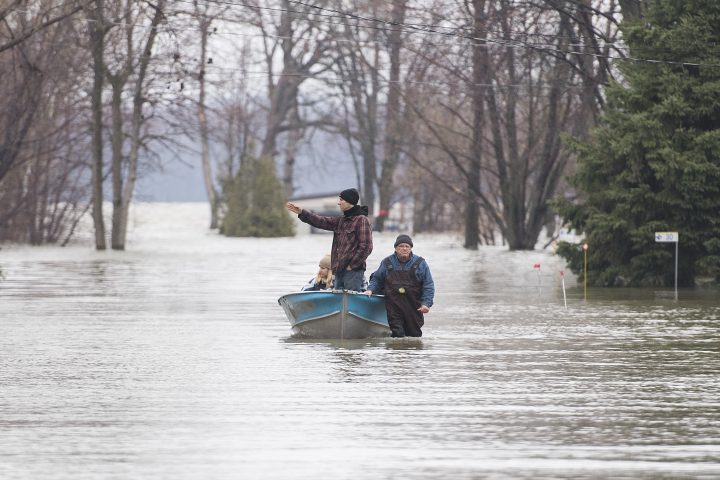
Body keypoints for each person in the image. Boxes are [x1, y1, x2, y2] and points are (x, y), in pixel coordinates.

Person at [286, 188, 373, 292]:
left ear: (349, 201)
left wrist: (352, 265)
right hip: (338, 271)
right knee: (339, 302)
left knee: (350, 301)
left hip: (353, 272)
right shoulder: (341, 221)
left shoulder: (362, 220)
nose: (338, 203)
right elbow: (320, 221)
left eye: (341, 200)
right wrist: (302, 212)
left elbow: (366, 246)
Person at [365, 234, 434, 337]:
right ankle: (396, 351)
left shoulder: (420, 263)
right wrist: (370, 290)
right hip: (393, 306)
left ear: (411, 248)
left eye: (407, 246)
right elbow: (377, 279)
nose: (404, 249)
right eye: (401, 246)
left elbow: (428, 285)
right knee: (397, 334)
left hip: (413, 306)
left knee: (414, 335)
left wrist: (426, 304)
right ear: (396, 248)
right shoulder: (387, 262)